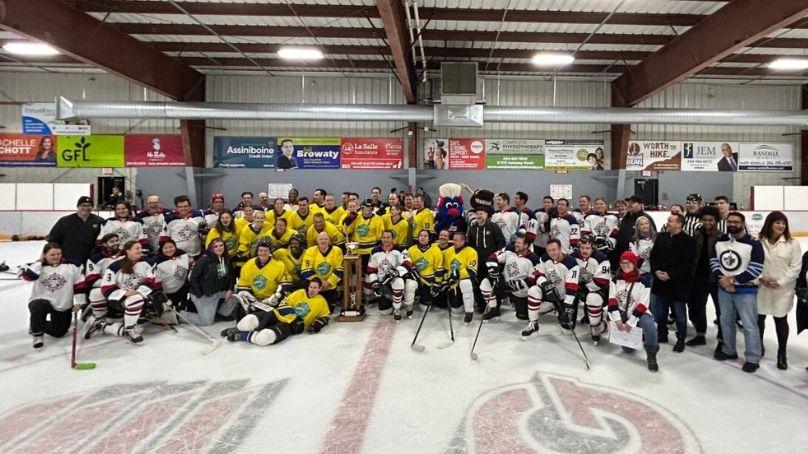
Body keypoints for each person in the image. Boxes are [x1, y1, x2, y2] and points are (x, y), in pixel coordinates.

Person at [711, 211, 764, 373]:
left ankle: (753, 357)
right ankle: (729, 350)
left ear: (743, 223)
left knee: (749, 324)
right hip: (724, 289)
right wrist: (722, 278)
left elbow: (756, 268)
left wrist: (733, 280)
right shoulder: (720, 241)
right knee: (725, 320)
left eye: (736, 221)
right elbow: (713, 260)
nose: (732, 224)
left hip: (746, 290)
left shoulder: (753, 243)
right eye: (730, 221)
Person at [85, 241, 159, 343]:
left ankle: (128, 329)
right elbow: (106, 285)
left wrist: (137, 291)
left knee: (136, 298)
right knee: (95, 292)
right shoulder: (115, 266)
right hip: (119, 298)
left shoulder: (148, 263)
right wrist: (123, 293)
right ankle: (99, 320)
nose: (140, 250)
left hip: (138, 299)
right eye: (137, 248)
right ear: (128, 251)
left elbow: (151, 281)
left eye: (140, 248)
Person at [221, 278, 330, 345]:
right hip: (277, 314)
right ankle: (236, 330)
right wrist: (294, 317)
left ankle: (243, 336)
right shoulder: (299, 293)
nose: (311, 289)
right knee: (249, 320)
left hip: (289, 326)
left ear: (320, 289)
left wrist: (316, 325)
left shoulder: (321, 302)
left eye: (315, 288)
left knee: (264, 338)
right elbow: (284, 303)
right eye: (311, 287)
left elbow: (325, 316)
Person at [757, 211, 801, 370]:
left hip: (783, 290)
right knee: (759, 319)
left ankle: (782, 353)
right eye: (777, 222)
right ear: (770, 224)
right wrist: (761, 277)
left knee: (780, 320)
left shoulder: (792, 243)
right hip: (762, 286)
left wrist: (780, 282)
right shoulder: (760, 241)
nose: (781, 225)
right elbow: (753, 261)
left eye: (783, 223)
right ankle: (758, 347)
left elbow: (796, 267)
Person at [20, 243, 87, 349]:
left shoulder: (74, 265)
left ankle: (36, 324)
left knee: (59, 332)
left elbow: (79, 284)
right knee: (38, 306)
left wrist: (79, 301)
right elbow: (28, 277)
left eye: (58, 254)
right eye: (52, 255)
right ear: (44, 255)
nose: (56, 257)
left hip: (63, 303)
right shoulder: (36, 266)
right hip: (41, 300)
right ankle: (37, 334)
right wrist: (39, 263)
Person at [650, 213, 695, 352]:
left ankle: (681, 337)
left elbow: (687, 263)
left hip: (678, 284)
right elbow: (653, 256)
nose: (668, 223)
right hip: (660, 281)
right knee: (661, 311)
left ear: (679, 224)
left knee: (680, 313)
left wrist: (670, 275)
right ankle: (662, 333)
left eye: (670, 221)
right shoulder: (661, 237)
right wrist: (656, 271)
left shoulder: (688, 241)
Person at [608, 251, 659, 372]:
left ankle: (651, 354)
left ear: (634, 264)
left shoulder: (644, 282)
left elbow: (642, 304)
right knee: (628, 350)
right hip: (621, 314)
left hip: (638, 314)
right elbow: (612, 301)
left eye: (628, 263)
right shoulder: (615, 280)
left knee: (649, 325)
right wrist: (618, 320)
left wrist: (631, 323)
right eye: (622, 263)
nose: (625, 265)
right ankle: (637, 336)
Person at [523, 239, 579, 340]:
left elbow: (572, 287)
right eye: (549, 250)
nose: (551, 252)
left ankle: (556, 308)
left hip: (564, 296)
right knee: (534, 290)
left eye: (554, 249)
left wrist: (567, 307)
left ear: (560, 249)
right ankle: (533, 324)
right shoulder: (544, 258)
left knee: (567, 330)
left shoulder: (571, 263)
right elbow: (537, 273)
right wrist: (546, 284)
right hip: (549, 292)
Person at [481, 233, 540, 322]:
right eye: (516, 242)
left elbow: (533, 280)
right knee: (485, 283)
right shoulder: (509, 251)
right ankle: (493, 308)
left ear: (526, 245)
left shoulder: (534, 259)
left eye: (519, 243)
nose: (516, 244)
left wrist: (517, 285)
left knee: (522, 319)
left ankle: (522, 307)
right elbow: (492, 257)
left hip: (519, 290)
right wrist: (495, 273)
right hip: (504, 284)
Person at [686, 206, 723, 346]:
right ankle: (700, 334)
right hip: (699, 277)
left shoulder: (721, 236)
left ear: (716, 221)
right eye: (705, 220)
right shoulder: (697, 234)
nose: (707, 222)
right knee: (699, 306)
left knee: (720, 309)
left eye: (710, 220)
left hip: (715, 278)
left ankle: (722, 338)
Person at [183, 238, 237, 326]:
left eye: (221, 245)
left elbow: (231, 275)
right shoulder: (204, 260)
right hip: (204, 295)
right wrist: (200, 294)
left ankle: (222, 313)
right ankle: (180, 315)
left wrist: (230, 289)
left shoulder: (227, 259)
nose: (219, 248)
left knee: (237, 295)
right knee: (207, 322)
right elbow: (193, 278)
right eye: (215, 246)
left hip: (218, 291)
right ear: (211, 248)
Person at [365, 230, 416, 320]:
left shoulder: (400, 249)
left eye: (388, 237)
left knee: (399, 282)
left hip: (395, 278)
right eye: (384, 237)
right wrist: (375, 282)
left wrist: (396, 272)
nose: (386, 240)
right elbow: (371, 269)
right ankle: (395, 300)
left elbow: (407, 263)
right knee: (385, 312)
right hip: (382, 281)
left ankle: (397, 308)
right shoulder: (375, 251)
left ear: (393, 238)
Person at [467, 203, 506, 314]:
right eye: (477, 214)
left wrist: (497, 258)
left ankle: (495, 307)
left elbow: (501, 243)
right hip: (477, 262)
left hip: (491, 261)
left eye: (482, 214)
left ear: (486, 214)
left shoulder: (493, 226)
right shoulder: (472, 228)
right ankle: (482, 305)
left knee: (492, 284)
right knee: (478, 283)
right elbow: (469, 245)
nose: (479, 216)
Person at [573, 235, 611, 344]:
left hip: (601, 290)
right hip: (583, 288)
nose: (584, 251)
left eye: (587, 248)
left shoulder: (601, 258)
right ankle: (570, 320)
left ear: (593, 247)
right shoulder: (573, 256)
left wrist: (584, 289)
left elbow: (601, 282)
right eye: (582, 248)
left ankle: (595, 327)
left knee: (592, 299)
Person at [47, 196, 104, 265]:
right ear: (78, 206)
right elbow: (53, 240)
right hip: (69, 260)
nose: (86, 208)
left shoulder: (99, 221)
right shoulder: (64, 221)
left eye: (89, 205)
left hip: (91, 260)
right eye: (83, 205)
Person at [234, 241, 291, 309]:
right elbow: (243, 286)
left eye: (266, 251)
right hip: (254, 301)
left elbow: (285, 284)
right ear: (257, 252)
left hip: (272, 301)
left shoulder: (279, 265)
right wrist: (249, 298)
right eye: (260, 251)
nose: (263, 253)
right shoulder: (248, 265)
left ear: (270, 252)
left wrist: (276, 296)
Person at [442, 231, 478, 324]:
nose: (454, 242)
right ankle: (464, 301)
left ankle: (469, 311)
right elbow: (446, 269)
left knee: (465, 283)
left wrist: (456, 274)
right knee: (456, 309)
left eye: (457, 240)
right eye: (453, 240)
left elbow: (471, 271)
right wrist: (447, 279)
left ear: (463, 241)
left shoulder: (471, 251)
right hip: (453, 282)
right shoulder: (448, 251)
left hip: (468, 279)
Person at [150, 239, 189, 325]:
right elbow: (156, 283)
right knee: (170, 318)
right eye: (165, 248)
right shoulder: (157, 261)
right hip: (167, 292)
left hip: (182, 287)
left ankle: (181, 307)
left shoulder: (182, 254)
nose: (169, 249)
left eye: (171, 246)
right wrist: (162, 299)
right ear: (161, 249)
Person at [301, 231, 344, 308]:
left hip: (329, 285)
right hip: (315, 286)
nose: (323, 241)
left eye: (325, 239)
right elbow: (306, 270)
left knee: (329, 308)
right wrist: (319, 282)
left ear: (329, 240)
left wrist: (328, 282)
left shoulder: (337, 250)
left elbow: (339, 269)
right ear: (317, 241)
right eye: (321, 239)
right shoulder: (310, 251)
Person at [342, 199, 384, 269]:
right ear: (362, 208)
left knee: (368, 272)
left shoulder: (378, 219)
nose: (367, 209)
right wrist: (348, 221)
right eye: (365, 207)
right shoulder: (355, 217)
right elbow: (346, 232)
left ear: (373, 208)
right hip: (355, 250)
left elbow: (379, 238)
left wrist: (377, 252)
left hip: (370, 251)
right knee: (355, 272)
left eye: (370, 207)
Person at [408, 229, 444, 309]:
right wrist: (411, 271)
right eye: (421, 236)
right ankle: (411, 300)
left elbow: (439, 267)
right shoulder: (411, 250)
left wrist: (437, 283)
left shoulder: (435, 250)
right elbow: (407, 265)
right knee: (409, 286)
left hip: (429, 281)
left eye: (425, 236)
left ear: (428, 238)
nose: (423, 238)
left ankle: (423, 298)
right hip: (415, 279)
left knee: (424, 308)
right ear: (418, 238)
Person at [615, 195, 656, 262]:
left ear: (640, 204)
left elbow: (653, 236)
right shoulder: (626, 218)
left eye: (633, 203)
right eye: (629, 202)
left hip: (640, 259)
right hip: (624, 256)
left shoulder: (646, 218)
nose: (630, 204)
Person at [629, 216, 656, 287]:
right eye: (641, 224)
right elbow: (634, 257)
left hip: (655, 273)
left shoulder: (657, 237)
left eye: (646, 223)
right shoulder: (633, 240)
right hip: (641, 274)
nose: (644, 226)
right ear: (637, 227)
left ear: (649, 225)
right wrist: (647, 267)